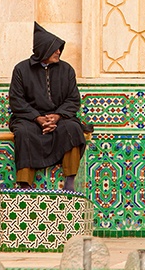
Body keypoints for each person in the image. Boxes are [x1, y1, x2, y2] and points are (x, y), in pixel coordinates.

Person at [8, 23, 89, 191]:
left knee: (73, 128)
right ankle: (24, 183)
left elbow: (73, 99)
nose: (59, 52)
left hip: (59, 118)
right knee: (24, 133)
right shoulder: (21, 70)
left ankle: (70, 181)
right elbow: (17, 100)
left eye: (59, 49)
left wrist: (57, 116)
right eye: (54, 49)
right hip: (29, 118)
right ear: (43, 50)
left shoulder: (66, 70)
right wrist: (38, 118)